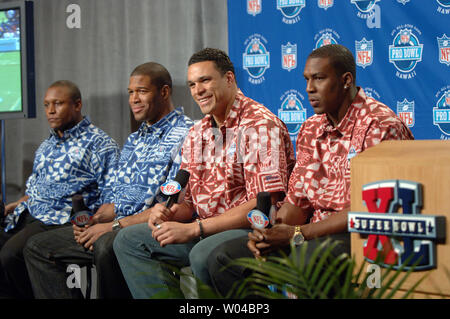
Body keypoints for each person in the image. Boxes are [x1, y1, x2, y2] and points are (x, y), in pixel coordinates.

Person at [206, 44, 415, 297]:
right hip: (309, 235)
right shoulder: (310, 128)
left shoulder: (380, 126)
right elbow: (297, 202)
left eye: (319, 78)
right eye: (306, 79)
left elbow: (373, 209)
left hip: (361, 235)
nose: (309, 89)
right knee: (224, 258)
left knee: (307, 263)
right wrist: (271, 234)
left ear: (346, 80)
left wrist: (298, 234)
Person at [113, 48, 296, 298]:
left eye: (205, 80)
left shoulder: (260, 125)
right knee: (129, 240)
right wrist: (173, 212)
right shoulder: (197, 131)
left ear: (229, 79)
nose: (197, 90)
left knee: (204, 253)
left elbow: (263, 203)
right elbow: (189, 201)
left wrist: (196, 228)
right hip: (203, 226)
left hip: (249, 230)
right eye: (192, 84)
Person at [23, 62, 193, 299]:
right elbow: (118, 198)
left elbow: (169, 207)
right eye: (131, 92)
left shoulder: (187, 134)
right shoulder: (135, 140)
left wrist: (112, 226)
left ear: (164, 92)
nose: (134, 99)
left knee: (106, 246)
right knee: (38, 247)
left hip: (150, 229)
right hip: (118, 224)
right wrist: (97, 218)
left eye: (142, 91)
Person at [0, 80, 120, 298]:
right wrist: (16, 204)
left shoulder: (100, 144)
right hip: (28, 213)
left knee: (10, 255)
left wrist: (95, 221)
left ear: (77, 105)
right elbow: (37, 188)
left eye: (58, 104)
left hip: (59, 219)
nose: (50, 111)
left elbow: (112, 194)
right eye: (46, 105)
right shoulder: (46, 145)